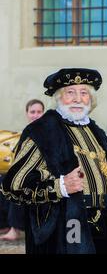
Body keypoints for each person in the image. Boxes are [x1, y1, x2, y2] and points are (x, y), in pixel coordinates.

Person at [0, 68, 107, 254]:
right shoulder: (42, 131)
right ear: (58, 97)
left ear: (91, 99)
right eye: (70, 92)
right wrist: (60, 187)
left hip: (105, 222)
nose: (78, 99)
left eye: (84, 92)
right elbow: (13, 185)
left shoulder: (97, 132)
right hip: (69, 222)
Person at [0, 99, 45, 241]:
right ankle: (4, 224)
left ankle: (15, 229)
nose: (36, 115)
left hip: (42, 175)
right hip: (26, 171)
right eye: (32, 112)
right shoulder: (25, 133)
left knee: (18, 182)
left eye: (39, 112)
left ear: (43, 114)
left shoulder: (48, 133)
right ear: (27, 114)